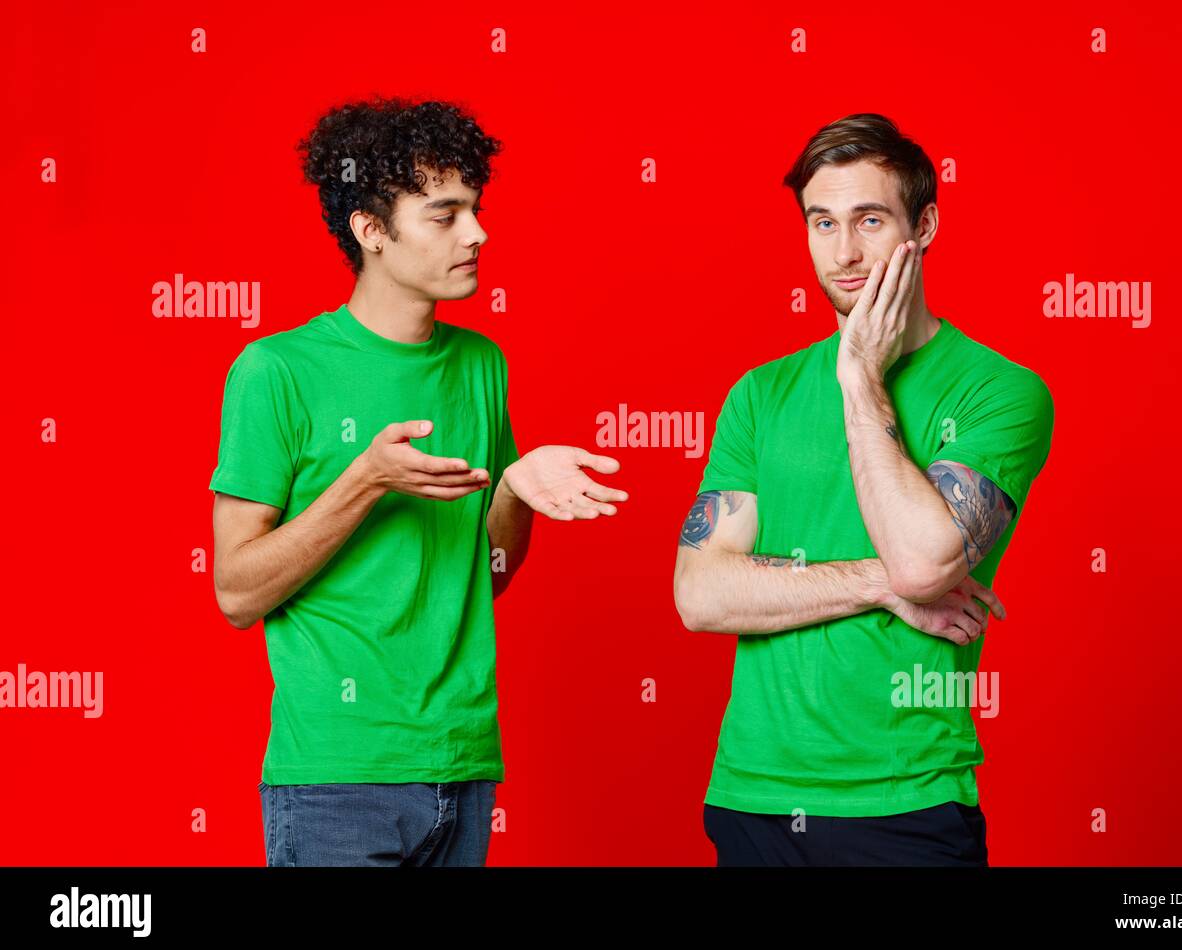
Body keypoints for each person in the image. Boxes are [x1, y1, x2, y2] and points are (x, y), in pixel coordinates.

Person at [209, 96, 627, 866]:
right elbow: (236, 590)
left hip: (464, 767)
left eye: (476, 208)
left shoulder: (482, 364)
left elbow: (489, 574)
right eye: (446, 215)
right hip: (338, 777)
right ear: (371, 231)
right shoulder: (275, 372)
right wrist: (366, 478)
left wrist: (515, 489)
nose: (478, 233)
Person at [673, 113, 1055, 866]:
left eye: (869, 220)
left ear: (927, 225)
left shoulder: (1003, 393)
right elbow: (699, 594)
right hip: (750, 796)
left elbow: (923, 559)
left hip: (904, 799)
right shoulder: (760, 393)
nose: (843, 253)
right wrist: (881, 584)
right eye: (822, 223)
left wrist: (859, 379)